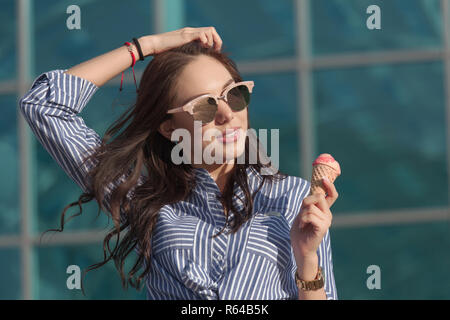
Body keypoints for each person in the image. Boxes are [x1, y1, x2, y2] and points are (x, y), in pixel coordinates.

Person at [19, 27, 338, 300]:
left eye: (235, 95)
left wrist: (307, 258)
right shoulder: (145, 198)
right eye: (204, 106)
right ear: (169, 128)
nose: (227, 115)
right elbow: (45, 105)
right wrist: (147, 46)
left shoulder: (294, 198)